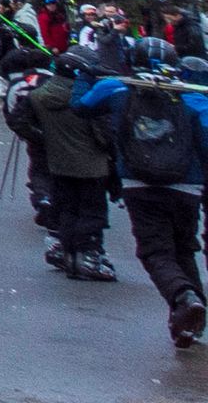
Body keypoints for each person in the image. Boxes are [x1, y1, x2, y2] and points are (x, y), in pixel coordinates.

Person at [81, 39, 208, 344]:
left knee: (155, 252)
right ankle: (189, 318)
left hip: (140, 184)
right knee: (183, 248)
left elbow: (82, 105)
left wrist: (86, 75)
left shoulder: (120, 90)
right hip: (186, 185)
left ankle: (185, 299)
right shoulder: (191, 98)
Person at [25, 40, 123, 279]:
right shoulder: (87, 98)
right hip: (91, 165)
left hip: (58, 162)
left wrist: (43, 139)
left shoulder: (39, 95)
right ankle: (88, 257)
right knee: (92, 213)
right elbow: (104, 135)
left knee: (68, 210)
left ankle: (69, 255)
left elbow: (22, 121)